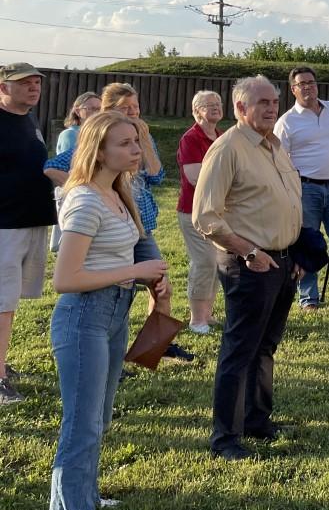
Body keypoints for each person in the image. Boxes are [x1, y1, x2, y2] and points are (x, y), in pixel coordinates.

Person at [47, 111, 169, 510]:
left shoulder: (120, 191)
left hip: (115, 310)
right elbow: (65, 278)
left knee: (98, 416)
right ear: (99, 150)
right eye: (125, 144)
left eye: (136, 141)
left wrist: (152, 277)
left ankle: (85, 497)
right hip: (84, 316)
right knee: (82, 423)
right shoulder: (84, 199)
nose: (136, 150)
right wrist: (136, 269)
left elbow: (134, 245)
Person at [193, 75, 304, 460]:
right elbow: (205, 217)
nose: (272, 107)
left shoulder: (274, 145)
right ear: (241, 108)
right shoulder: (228, 149)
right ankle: (225, 438)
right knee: (240, 350)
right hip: (250, 262)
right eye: (262, 102)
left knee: (264, 347)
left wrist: (296, 255)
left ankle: (258, 420)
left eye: (274, 101)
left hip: (283, 261)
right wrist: (250, 252)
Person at [99, 82, 193, 362]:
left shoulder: (142, 135)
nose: (132, 112)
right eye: (125, 108)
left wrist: (143, 138)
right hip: (112, 227)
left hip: (142, 228)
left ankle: (154, 349)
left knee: (162, 286)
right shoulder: (98, 136)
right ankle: (107, 354)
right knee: (115, 293)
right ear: (109, 110)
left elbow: (156, 176)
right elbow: (56, 166)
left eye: (135, 106)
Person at [0, 63, 58, 405]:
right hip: (5, 224)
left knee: (11, 302)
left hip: (32, 220)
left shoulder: (29, 119)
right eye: (24, 83)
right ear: (4, 87)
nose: (34, 87)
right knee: (2, 303)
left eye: (36, 82)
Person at [275, 65, 329, 310]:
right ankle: (309, 298)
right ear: (293, 89)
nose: (308, 87)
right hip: (305, 189)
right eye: (302, 84)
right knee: (307, 242)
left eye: (311, 82)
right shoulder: (286, 122)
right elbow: (279, 160)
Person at [177, 91, 224, 334]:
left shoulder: (221, 136)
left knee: (216, 262)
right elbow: (194, 177)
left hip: (218, 212)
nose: (216, 108)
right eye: (209, 105)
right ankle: (197, 319)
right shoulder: (191, 139)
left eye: (218, 104)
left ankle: (207, 313)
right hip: (193, 211)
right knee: (204, 262)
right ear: (197, 111)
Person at [48, 92, 102, 253]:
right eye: (91, 108)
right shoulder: (70, 134)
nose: (96, 112)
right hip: (75, 189)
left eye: (99, 108)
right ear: (78, 111)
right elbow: (71, 167)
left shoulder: (99, 132)